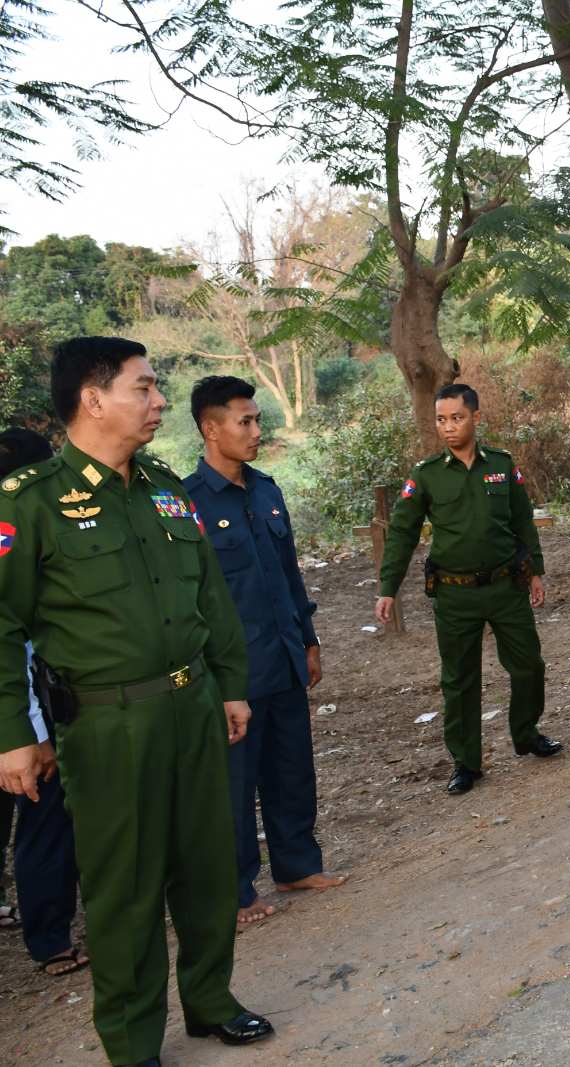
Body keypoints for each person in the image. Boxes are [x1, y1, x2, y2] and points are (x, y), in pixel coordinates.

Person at [0, 337, 273, 1065]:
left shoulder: (163, 486)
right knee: (126, 886)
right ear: (93, 400)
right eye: (144, 388)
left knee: (208, 867)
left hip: (193, 705)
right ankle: (132, 1040)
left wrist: (230, 685)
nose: (159, 401)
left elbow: (209, 594)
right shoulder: (31, 501)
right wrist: (12, 733)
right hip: (108, 723)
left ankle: (211, 1000)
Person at [183, 377, 346, 927]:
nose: (257, 430)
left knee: (292, 768)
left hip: (283, 656)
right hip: (232, 673)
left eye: (257, 420)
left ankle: (296, 864)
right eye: (245, 421)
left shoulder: (267, 491)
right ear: (211, 429)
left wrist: (309, 639)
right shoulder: (185, 504)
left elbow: (289, 574)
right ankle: (234, 890)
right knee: (233, 784)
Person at [376, 383, 560, 796]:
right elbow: (402, 533)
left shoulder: (502, 465)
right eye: (441, 420)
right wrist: (388, 587)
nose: (448, 427)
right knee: (459, 680)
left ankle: (527, 733)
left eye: (457, 418)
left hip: (505, 587)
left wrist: (535, 571)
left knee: (529, 666)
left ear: (475, 418)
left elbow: (522, 521)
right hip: (454, 594)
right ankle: (466, 762)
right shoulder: (426, 475)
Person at [0, 427, 87, 979]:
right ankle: (51, 939)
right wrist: (34, 735)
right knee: (44, 822)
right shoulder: (17, 536)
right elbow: (19, 650)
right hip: (19, 720)